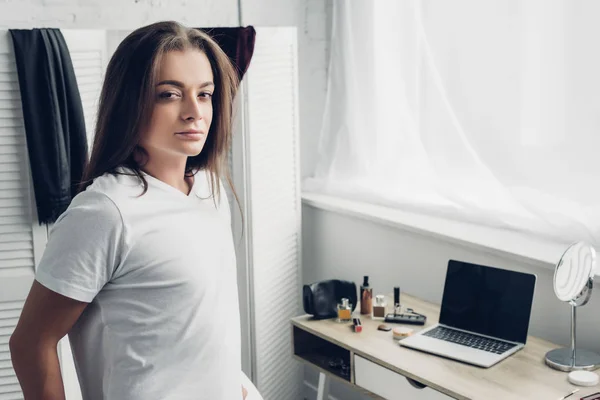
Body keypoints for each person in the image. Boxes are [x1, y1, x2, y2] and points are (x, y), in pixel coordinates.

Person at [9, 21, 248, 400]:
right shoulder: (105, 212)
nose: (194, 112)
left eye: (205, 94)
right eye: (169, 94)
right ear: (130, 102)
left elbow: (198, 326)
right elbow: (30, 343)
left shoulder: (207, 190)